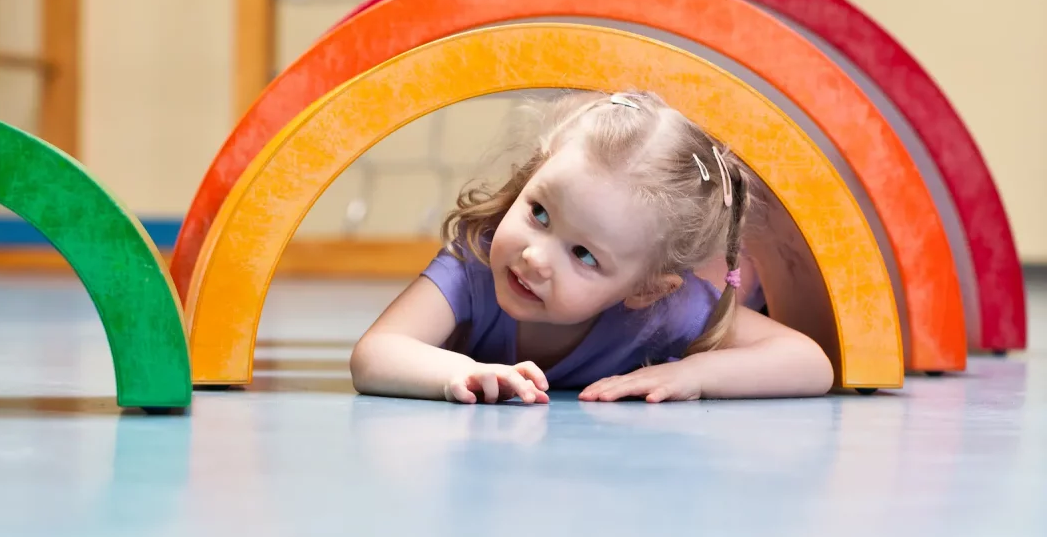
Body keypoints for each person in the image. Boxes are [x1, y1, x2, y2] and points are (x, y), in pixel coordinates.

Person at [348, 90, 834, 405]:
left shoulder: (664, 309)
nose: (534, 257)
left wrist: (698, 374)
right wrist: (458, 373)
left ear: (645, 290)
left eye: (583, 255)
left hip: (724, 275)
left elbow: (810, 362)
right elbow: (377, 351)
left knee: (743, 282)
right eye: (539, 212)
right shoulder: (475, 263)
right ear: (533, 172)